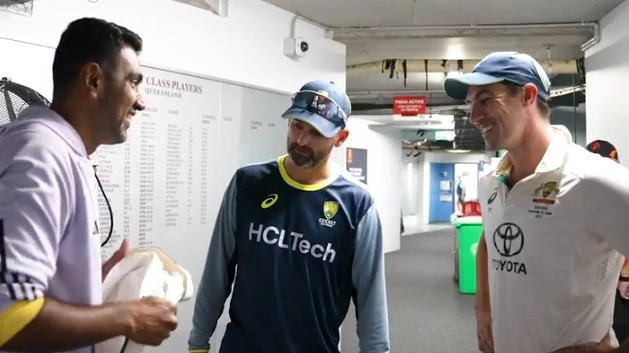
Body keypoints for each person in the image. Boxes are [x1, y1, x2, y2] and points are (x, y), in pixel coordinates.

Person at [0, 18, 177, 352]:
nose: (140, 102)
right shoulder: (42, 155)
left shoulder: (61, 151)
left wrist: (93, 285)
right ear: (94, 80)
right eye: (133, 82)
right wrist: (128, 318)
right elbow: (10, 318)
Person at [444, 51, 629, 353]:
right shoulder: (492, 180)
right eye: (470, 103)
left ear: (528, 96)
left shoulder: (591, 179)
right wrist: (483, 309)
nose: (473, 117)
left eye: (486, 100)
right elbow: (490, 240)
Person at [188, 80, 390, 353]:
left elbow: (371, 304)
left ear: (341, 138)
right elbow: (216, 272)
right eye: (297, 125)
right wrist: (198, 342)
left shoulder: (358, 205)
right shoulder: (248, 183)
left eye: (316, 132)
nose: (301, 140)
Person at [586, 140, 629, 344]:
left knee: (620, 329)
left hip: (619, 284)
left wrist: (626, 277)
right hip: (592, 285)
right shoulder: (580, 195)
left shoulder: (623, 192)